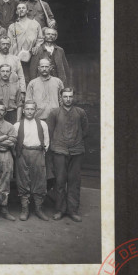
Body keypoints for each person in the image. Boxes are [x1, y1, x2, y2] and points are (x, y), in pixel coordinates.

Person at [47, 88, 89, 223]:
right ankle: (60, 210)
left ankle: (73, 210)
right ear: (61, 98)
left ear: (73, 97)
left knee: (74, 181)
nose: (68, 99)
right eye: (65, 97)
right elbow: (50, 132)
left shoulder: (80, 113)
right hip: (59, 150)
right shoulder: (54, 113)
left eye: (70, 96)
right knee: (59, 181)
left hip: (77, 151)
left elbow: (85, 130)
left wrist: (75, 142)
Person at [26, 58, 64, 189]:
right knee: (40, 149)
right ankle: (39, 181)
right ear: (38, 68)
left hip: (55, 121)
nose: (44, 69)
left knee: (53, 149)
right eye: (41, 66)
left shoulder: (58, 82)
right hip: (39, 121)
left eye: (46, 66)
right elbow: (28, 103)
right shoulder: (32, 83)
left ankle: (52, 181)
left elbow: (62, 101)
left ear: (51, 67)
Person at [13, 101, 50, 221]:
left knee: (39, 180)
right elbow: (13, 142)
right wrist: (18, 154)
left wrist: (42, 153)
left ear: (35, 110)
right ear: (23, 110)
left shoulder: (42, 124)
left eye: (32, 109)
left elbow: (47, 141)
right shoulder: (17, 125)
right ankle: (25, 209)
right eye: (27, 109)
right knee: (23, 180)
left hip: (38, 153)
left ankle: (39, 209)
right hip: (22, 153)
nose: (29, 111)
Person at [8, 2, 44, 83]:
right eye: (19, 8)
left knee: (33, 78)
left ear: (27, 11)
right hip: (18, 56)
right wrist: (12, 58)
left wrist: (37, 46)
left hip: (32, 55)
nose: (21, 10)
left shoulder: (35, 24)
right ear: (16, 12)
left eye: (23, 8)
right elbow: (9, 43)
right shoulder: (12, 26)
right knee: (20, 79)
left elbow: (40, 38)